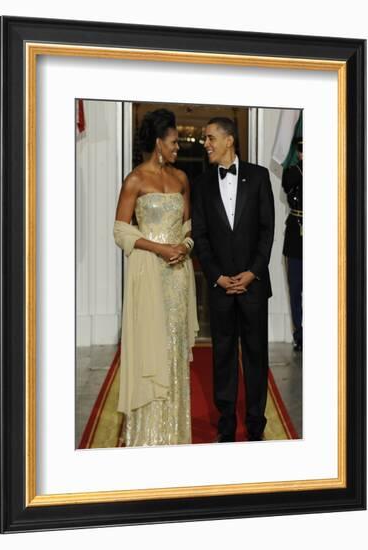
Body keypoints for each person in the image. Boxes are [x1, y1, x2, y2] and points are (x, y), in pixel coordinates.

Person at [113, 109, 198, 447]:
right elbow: (120, 231)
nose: (179, 147)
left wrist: (185, 246)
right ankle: (147, 436)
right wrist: (159, 249)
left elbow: (190, 226)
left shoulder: (181, 179)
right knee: (151, 346)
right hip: (148, 275)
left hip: (178, 277)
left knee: (174, 346)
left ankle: (174, 434)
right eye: (174, 142)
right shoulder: (135, 180)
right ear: (159, 142)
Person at [192, 117, 275, 442]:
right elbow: (200, 235)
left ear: (229, 140)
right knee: (223, 356)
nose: (206, 144)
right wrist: (217, 277)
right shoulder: (201, 184)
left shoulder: (259, 177)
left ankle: (256, 424)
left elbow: (267, 229)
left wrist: (253, 273)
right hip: (220, 288)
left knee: (256, 355)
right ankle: (226, 422)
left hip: (254, 286)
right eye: (205, 138)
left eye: (210, 137)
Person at [282, 137, 303, 352]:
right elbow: (287, 183)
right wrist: (303, 165)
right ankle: (300, 334)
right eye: (302, 149)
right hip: (296, 234)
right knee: (295, 288)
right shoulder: (293, 171)